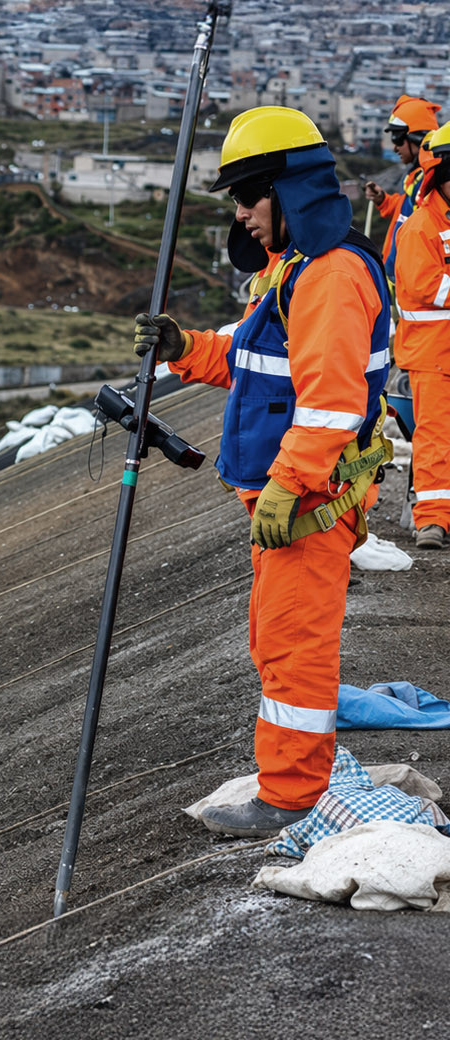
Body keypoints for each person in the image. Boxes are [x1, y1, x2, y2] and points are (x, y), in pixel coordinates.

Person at [133, 107, 392, 837]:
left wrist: (289, 484)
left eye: (249, 197)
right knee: (275, 642)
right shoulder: (297, 269)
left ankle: (291, 795)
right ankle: (291, 779)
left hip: (307, 505)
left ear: (290, 191)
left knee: (294, 647)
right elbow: (254, 366)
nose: (242, 214)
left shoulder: (333, 277)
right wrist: (185, 346)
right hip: (290, 503)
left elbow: (333, 403)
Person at [391, 123, 450, 549]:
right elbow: (429, 287)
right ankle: (432, 519)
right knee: (434, 435)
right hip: (432, 356)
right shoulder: (420, 228)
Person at [362, 95, 441, 296]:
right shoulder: (416, 177)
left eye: (398, 138)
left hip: (409, 287)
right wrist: (384, 201)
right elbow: (405, 214)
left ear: (416, 137)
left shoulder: (428, 183)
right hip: (399, 283)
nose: (395, 147)